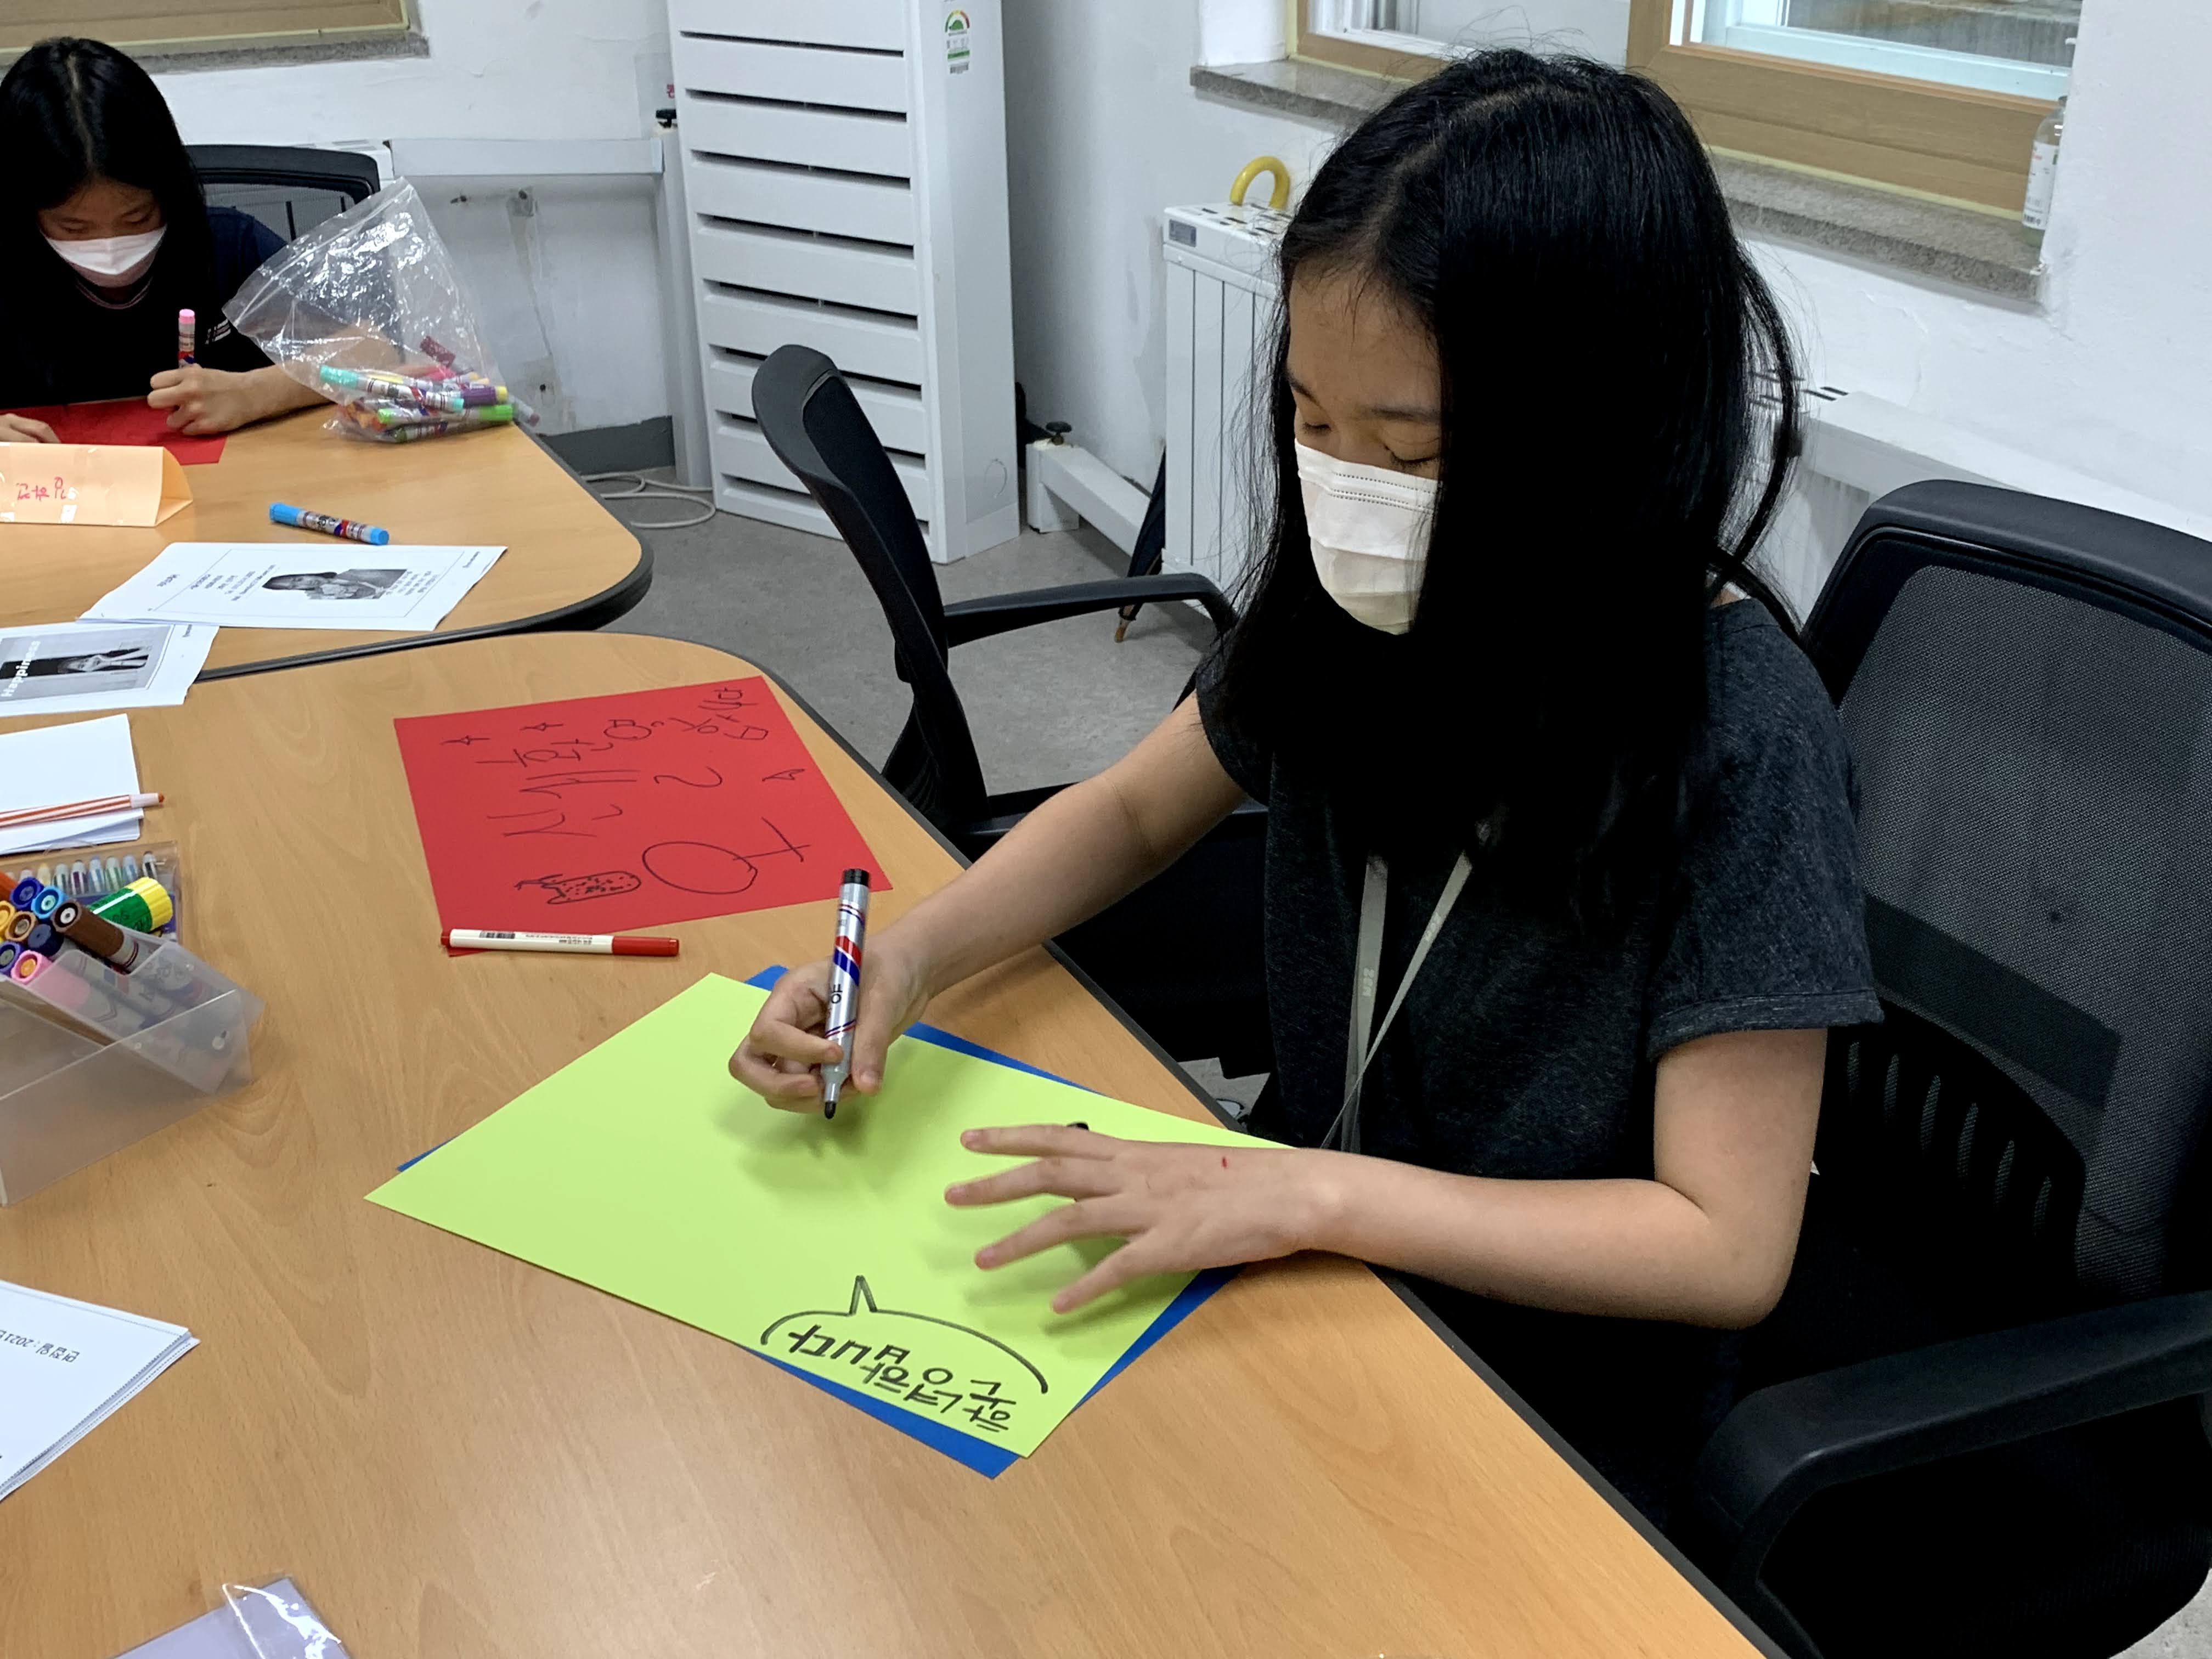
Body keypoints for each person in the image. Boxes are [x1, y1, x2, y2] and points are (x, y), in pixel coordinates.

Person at [731, 50, 1881, 1531]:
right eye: (1311, 421)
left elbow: (1722, 1244)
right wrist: (909, 956)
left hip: (1549, 1387)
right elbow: (1138, 808)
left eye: (1411, 448)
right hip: (1326, 1256)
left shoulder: (1741, 731)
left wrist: (1311, 1198)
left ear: (1597, 432)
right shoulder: (1353, 611)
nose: (1345, 487)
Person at [0, 38, 324, 441]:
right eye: (74, 229)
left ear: (170, 190)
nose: (110, 249)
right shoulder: (7, 267)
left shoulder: (229, 246)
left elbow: (372, 350)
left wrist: (256, 393)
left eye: (137, 217)